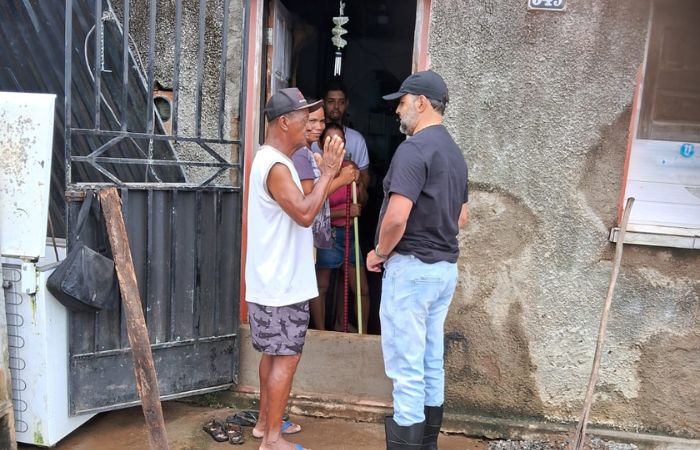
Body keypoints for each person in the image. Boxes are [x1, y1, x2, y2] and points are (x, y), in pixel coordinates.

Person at [366, 70, 469, 449]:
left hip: (412, 270)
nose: (397, 111)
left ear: (422, 102)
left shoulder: (414, 149)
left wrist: (379, 252)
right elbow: (461, 217)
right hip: (443, 271)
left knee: (406, 370)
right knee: (429, 363)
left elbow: (395, 217)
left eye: (403, 102)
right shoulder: (454, 153)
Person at [246, 87, 345, 450]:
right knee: (286, 358)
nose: (310, 128)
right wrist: (329, 174)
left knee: (274, 355)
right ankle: (272, 439)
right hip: (281, 284)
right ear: (284, 122)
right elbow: (304, 214)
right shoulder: (275, 165)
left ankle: (263, 425)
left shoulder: (272, 159)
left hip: (273, 280)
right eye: (304, 120)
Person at [291, 102, 358, 329]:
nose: (318, 126)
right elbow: (310, 199)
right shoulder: (300, 154)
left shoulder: (308, 153)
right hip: (305, 235)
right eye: (312, 121)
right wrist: (338, 178)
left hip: (310, 237)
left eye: (321, 121)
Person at [314, 124, 370, 333]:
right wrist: (345, 211)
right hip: (328, 234)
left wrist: (360, 184)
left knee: (361, 289)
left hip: (350, 233)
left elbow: (362, 201)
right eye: (330, 141)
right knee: (322, 286)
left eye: (340, 141)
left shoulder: (350, 167)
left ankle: (362, 334)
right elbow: (315, 207)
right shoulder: (316, 168)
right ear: (321, 144)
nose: (336, 146)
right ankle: (320, 332)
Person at [311, 80, 370, 200]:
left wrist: (357, 179)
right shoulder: (311, 137)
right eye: (331, 102)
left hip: (346, 204)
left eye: (341, 102)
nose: (336, 107)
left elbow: (364, 180)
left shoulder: (357, 140)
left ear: (347, 104)